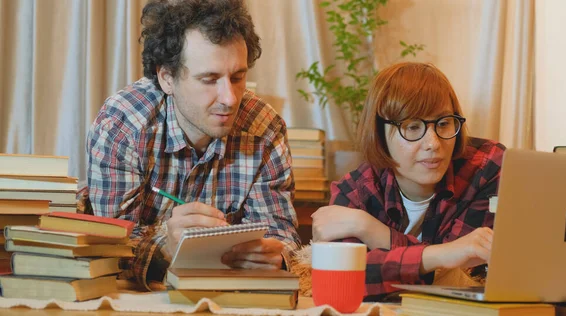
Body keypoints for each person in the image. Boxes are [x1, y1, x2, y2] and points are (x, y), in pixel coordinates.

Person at [85, 0, 300, 290]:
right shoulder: (122, 125)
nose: (230, 98)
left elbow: (282, 234)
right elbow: (111, 246)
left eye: (238, 77)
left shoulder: (265, 128)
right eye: (209, 79)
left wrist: (275, 255)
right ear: (166, 78)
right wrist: (167, 249)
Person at [311, 62, 505, 301]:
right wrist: (440, 255)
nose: (433, 143)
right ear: (379, 133)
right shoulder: (357, 191)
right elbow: (341, 279)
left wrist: (370, 230)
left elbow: (459, 276)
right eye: (413, 127)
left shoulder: (486, 167)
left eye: (443, 123)